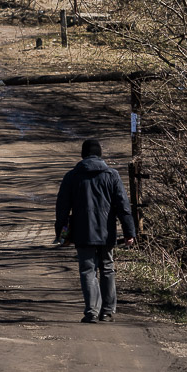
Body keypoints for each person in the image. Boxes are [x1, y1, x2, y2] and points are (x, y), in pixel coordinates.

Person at [54, 138, 137, 323]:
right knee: (107, 268)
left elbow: (62, 207)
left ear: (83, 155)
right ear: (100, 154)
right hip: (107, 232)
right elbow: (123, 206)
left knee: (87, 270)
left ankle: (91, 311)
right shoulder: (112, 175)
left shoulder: (72, 176)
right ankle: (107, 312)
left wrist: (61, 232)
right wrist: (129, 232)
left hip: (83, 232)